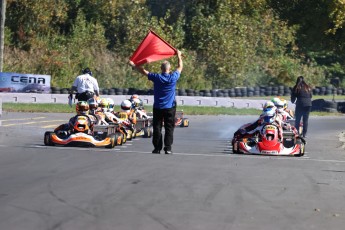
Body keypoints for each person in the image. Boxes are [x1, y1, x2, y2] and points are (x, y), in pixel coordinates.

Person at [129, 50, 183, 154]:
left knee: (157, 127)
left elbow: (143, 71)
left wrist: (134, 65)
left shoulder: (157, 77)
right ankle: (168, 148)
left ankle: (157, 148)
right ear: (169, 69)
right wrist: (179, 55)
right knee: (169, 128)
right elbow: (180, 67)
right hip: (170, 107)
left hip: (158, 106)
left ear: (161, 69)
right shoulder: (173, 77)